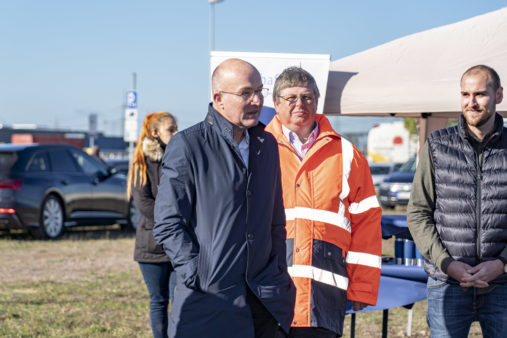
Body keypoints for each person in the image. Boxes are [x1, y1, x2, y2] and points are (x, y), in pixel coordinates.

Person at [153, 58, 296, 338]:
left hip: (265, 299)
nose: (256, 100)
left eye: (259, 91)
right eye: (245, 93)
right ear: (218, 98)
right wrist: (199, 274)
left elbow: (275, 221)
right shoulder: (188, 145)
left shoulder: (267, 145)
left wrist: (277, 270)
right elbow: (168, 223)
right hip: (210, 303)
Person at [265, 67, 382, 337]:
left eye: (307, 97)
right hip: (268, 296)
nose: (299, 104)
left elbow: (366, 224)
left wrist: (362, 286)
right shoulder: (258, 147)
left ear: (317, 101)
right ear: (276, 103)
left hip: (323, 300)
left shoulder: (347, 154)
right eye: (290, 98)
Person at [407, 65, 507, 337]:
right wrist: (447, 263)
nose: (471, 102)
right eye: (465, 94)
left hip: (503, 284)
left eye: (480, 94)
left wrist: (501, 262)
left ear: (498, 95)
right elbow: (418, 212)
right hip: (447, 284)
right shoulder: (438, 145)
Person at [127, 111, 178, 338]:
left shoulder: (179, 157)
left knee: (181, 300)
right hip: (152, 247)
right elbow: (145, 205)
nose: (176, 133)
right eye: (171, 129)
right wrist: (174, 221)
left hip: (179, 247)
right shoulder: (141, 164)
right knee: (159, 301)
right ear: (155, 133)